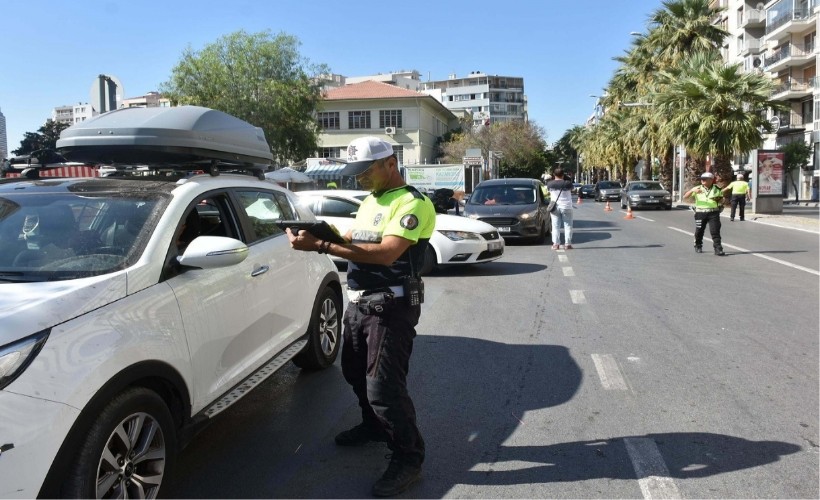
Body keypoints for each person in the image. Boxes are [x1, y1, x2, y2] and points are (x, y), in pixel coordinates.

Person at [286, 136, 435, 497]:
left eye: (365, 171)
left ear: (390, 163)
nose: (359, 179)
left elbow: (385, 253)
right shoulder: (372, 200)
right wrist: (324, 233)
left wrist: (321, 245)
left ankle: (408, 457)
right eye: (355, 172)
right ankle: (373, 426)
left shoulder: (412, 203)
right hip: (360, 304)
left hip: (391, 309)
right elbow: (355, 239)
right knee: (354, 373)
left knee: (384, 388)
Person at [684, 172, 725, 256]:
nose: (702, 180)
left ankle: (718, 248)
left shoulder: (717, 188)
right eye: (702, 179)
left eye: (705, 179)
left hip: (713, 212)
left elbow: (722, 199)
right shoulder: (697, 188)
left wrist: (720, 200)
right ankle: (698, 245)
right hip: (700, 212)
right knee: (699, 230)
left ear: (711, 180)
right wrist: (692, 190)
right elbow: (685, 197)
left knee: (715, 231)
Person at [547, 167, 575, 250]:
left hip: (554, 207)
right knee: (568, 225)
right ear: (563, 175)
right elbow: (572, 189)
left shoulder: (550, 184)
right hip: (567, 206)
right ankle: (568, 244)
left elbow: (548, 192)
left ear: (554, 175)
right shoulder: (568, 183)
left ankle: (556, 244)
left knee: (555, 226)